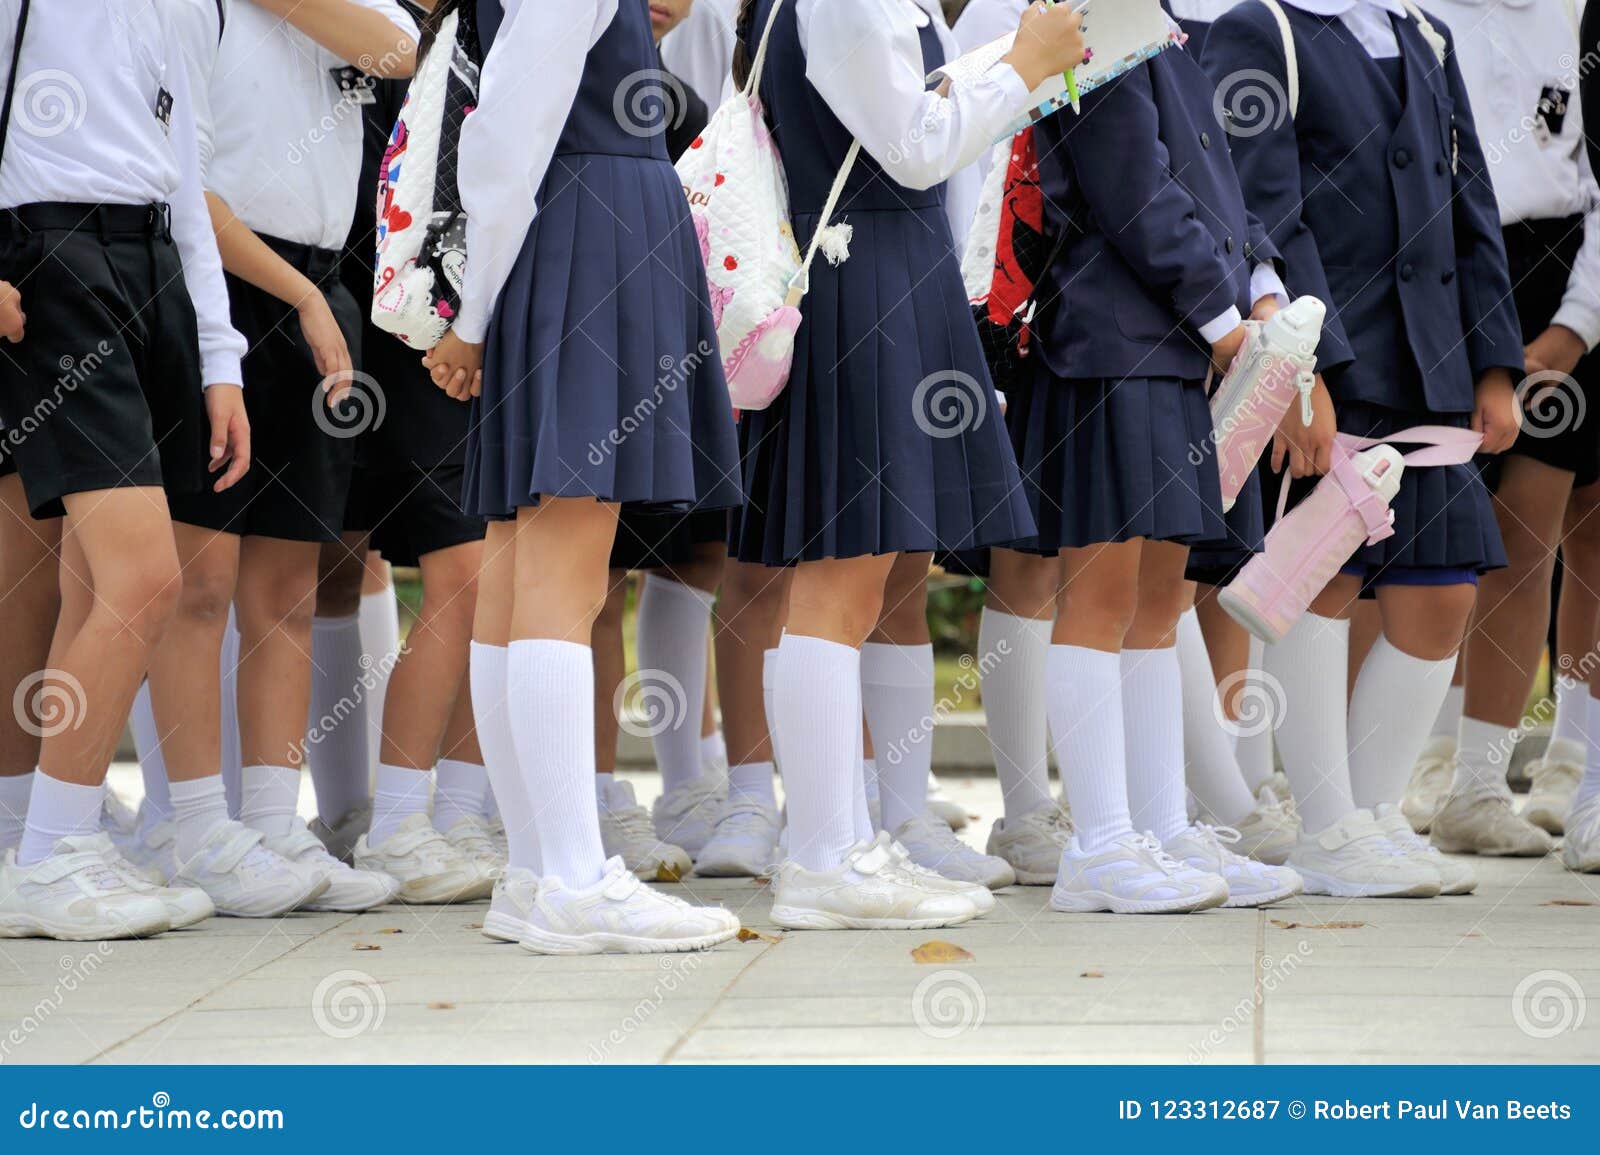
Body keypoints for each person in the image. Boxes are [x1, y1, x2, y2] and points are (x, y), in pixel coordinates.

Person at [725, 0, 1086, 929]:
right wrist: (1026, 66)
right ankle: (821, 856)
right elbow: (918, 146)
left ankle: (847, 839)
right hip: (866, 276)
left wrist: (1008, 61)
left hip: (883, 269)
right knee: (840, 580)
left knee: (874, 572)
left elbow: (908, 117)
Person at [432, 0, 745, 954]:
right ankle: (566, 874)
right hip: (589, 231)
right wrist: (475, 311)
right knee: (561, 558)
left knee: (524, 561)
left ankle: (537, 870)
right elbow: (509, 125)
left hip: (579, 230)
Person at [1205, 0, 1523, 897]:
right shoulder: (1259, 29)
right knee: (1323, 581)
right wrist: (1304, 374)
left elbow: (1473, 202)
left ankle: (1375, 813)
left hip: (1434, 362)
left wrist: (1493, 363)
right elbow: (1261, 213)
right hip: (1337, 360)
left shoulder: (1425, 31)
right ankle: (1325, 824)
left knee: (1445, 591)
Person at [1020, 5, 1301, 914]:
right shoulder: (1095, 17)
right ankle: (1097, 844)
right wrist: (1224, 326)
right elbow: (1131, 188)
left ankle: (1159, 825)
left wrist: (1254, 295)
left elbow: (1215, 184)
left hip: (1174, 340)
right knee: (1100, 596)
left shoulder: (1161, 22)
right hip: (1114, 341)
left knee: (1158, 595)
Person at [158, 0, 421, 913]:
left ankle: (272, 823)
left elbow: (400, 51)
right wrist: (302, 295)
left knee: (288, 590)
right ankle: (194, 825)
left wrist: (313, 296)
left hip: (317, 287)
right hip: (222, 283)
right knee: (199, 584)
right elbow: (186, 185)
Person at [0, 0, 251, 939]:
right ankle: (51, 853)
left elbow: (187, 178)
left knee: (95, 585)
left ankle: (45, 843)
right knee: (145, 579)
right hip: (51, 260)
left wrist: (220, 359)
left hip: (155, 272)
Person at [1398, 0, 1597, 858]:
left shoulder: (1573, 20)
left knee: (1529, 536)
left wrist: (1573, 326)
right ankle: (1395, 771)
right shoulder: (1409, 17)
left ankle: (1483, 784)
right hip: (1435, 269)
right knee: (1408, 536)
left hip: (1558, 275)